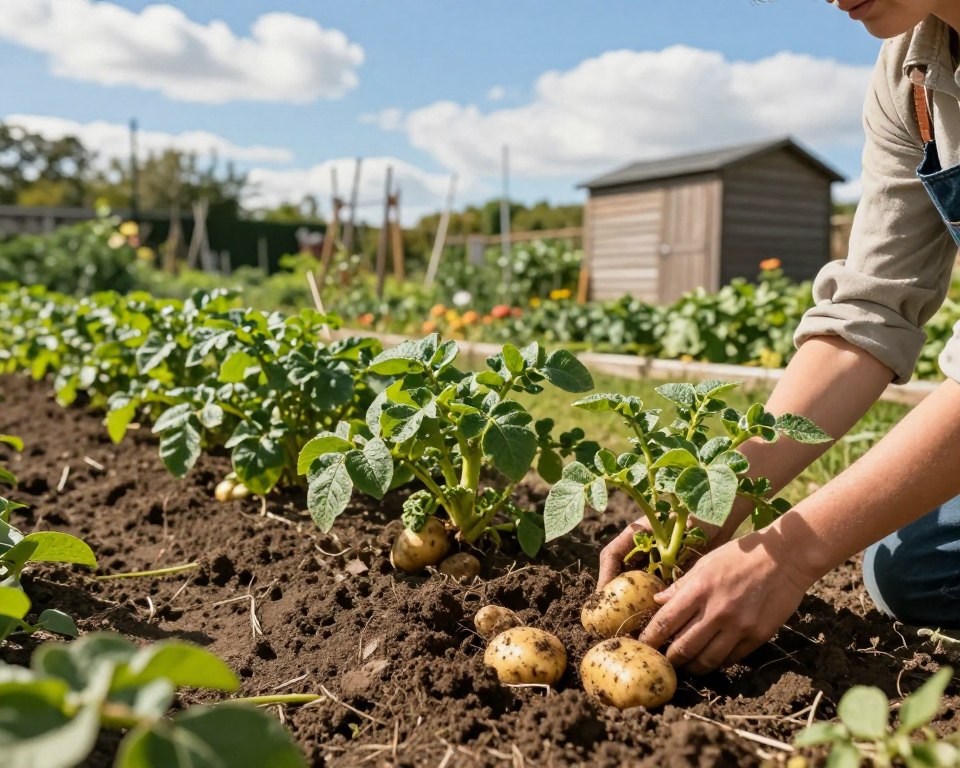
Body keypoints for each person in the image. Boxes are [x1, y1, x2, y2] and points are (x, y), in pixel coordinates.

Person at [599, 0, 960, 675]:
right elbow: (867, 316)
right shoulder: (912, 78)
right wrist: (712, 503)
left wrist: (788, 555)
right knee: (909, 570)